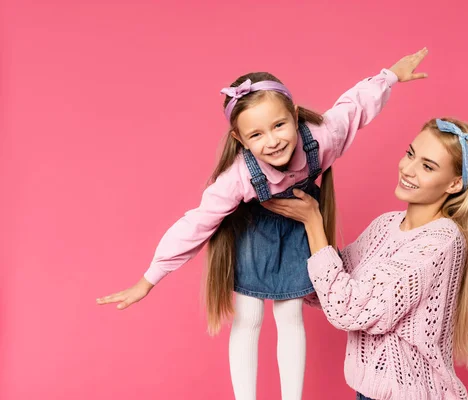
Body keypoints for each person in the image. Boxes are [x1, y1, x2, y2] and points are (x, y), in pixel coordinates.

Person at [96, 48, 429, 400]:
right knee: (249, 318)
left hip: (298, 229)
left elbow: (354, 109)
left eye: (279, 125)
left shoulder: (321, 137)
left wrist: (389, 76)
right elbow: (196, 223)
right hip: (254, 235)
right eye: (256, 135)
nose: (272, 141)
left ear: (295, 116)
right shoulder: (238, 177)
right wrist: (150, 278)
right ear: (240, 140)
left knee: (290, 316)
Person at [263, 117, 468, 399]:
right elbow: (328, 287)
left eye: (427, 166)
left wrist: (313, 221)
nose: (407, 169)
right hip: (369, 393)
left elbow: (347, 309)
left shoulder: (440, 241)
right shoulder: (386, 225)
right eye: (410, 153)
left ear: (455, 184)